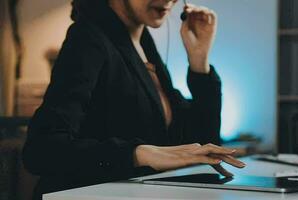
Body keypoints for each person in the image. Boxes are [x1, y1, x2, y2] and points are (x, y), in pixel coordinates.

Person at [22, 0, 246, 199]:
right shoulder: (88, 37)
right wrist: (139, 153)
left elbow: (202, 142)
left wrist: (199, 61)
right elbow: (42, 150)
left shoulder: (144, 44)